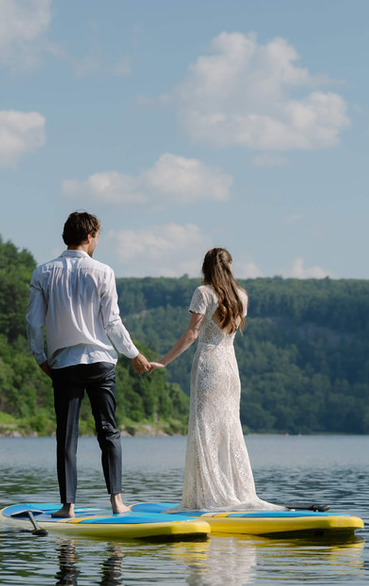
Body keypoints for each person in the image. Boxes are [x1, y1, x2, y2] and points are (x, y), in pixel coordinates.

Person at [26, 211, 152, 518]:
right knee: (108, 432)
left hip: (64, 364)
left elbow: (33, 322)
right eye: (97, 236)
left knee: (66, 436)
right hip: (99, 363)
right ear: (89, 236)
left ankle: (67, 506)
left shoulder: (43, 272)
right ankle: (117, 503)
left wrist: (40, 358)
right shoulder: (103, 271)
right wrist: (134, 354)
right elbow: (112, 323)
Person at [149, 248, 282, 511]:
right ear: (230, 266)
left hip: (209, 365)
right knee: (229, 427)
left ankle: (209, 497)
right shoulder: (242, 296)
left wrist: (163, 361)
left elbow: (192, 334)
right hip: (230, 367)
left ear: (206, 267)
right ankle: (234, 491)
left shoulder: (204, 293)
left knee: (205, 427)